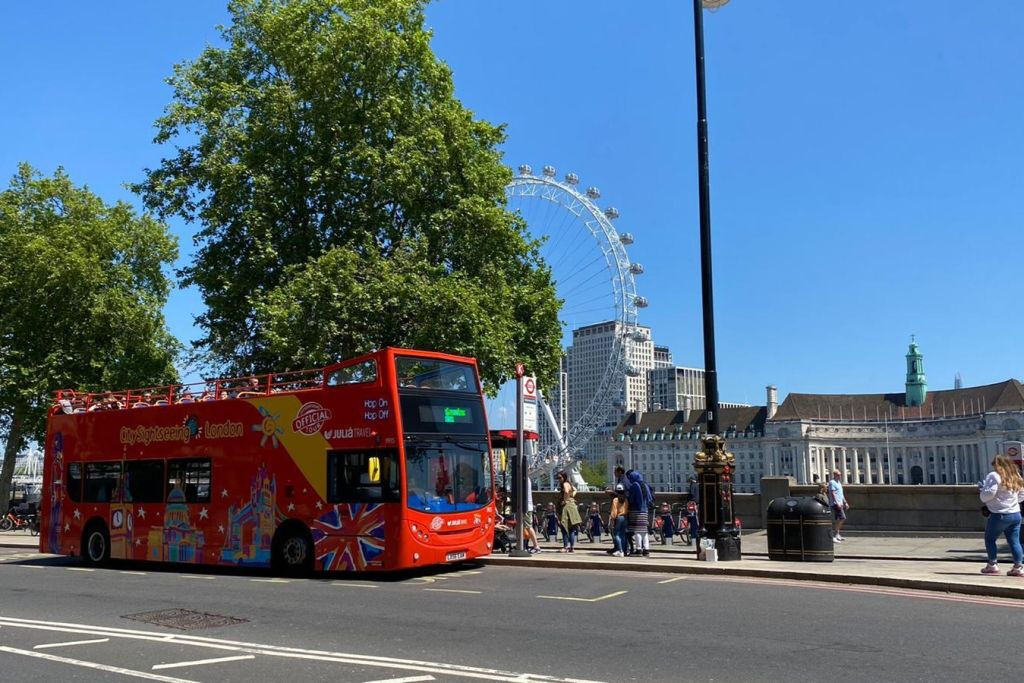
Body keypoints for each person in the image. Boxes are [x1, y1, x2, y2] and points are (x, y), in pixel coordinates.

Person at [979, 455, 1024, 576]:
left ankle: (992, 565)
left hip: (999, 514)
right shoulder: (1016, 476)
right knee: (1014, 541)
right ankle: (1018, 567)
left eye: (994, 464)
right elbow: (1021, 495)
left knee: (990, 539)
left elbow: (989, 494)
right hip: (1015, 514)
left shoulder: (994, 476)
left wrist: (982, 492)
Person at [626, 470, 652, 557]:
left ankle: (638, 549)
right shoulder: (645, 484)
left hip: (636, 510)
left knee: (637, 530)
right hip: (645, 510)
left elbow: (631, 498)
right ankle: (646, 549)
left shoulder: (634, 485)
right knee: (644, 531)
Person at [555, 471, 582, 553]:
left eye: (560, 478)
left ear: (564, 477)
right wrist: (570, 497)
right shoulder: (569, 483)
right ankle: (572, 547)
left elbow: (566, 491)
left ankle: (565, 547)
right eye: (557, 478)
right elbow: (575, 490)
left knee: (564, 527)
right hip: (572, 506)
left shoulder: (565, 484)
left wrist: (565, 501)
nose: (558, 479)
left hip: (567, 507)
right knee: (572, 529)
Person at [827, 469, 849, 542]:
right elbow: (833, 493)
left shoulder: (839, 482)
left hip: (840, 503)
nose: (840, 476)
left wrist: (845, 502)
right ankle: (834, 534)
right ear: (835, 475)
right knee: (843, 518)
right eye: (839, 475)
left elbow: (841, 494)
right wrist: (837, 502)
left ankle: (837, 534)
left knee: (838, 519)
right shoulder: (832, 482)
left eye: (840, 475)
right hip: (836, 504)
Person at [608, 484, 629, 557]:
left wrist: (612, 519)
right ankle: (625, 550)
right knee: (623, 535)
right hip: (625, 517)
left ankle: (620, 550)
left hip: (619, 517)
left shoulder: (615, 500)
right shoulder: (625, 499)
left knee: (616, 534)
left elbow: (614, 511)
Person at [686, 476, 701, 548]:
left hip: (693, 503)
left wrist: (688, 499)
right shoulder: (697, 485)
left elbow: (691, 494)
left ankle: (693, 538)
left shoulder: (692, 485)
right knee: (696, 518)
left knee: (692, 518)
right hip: (698, 503)